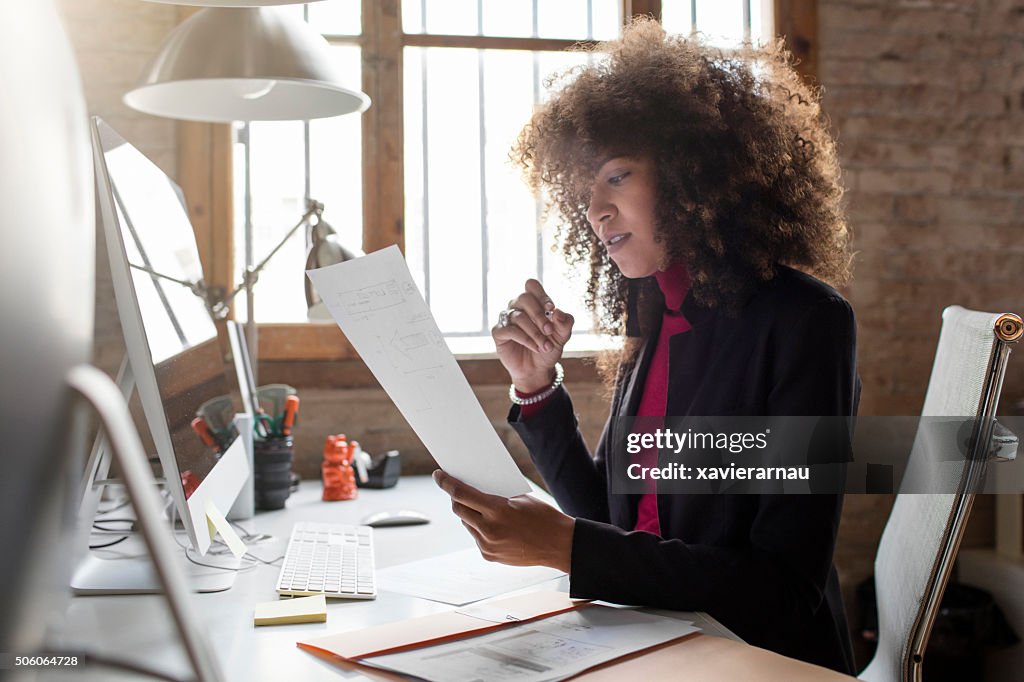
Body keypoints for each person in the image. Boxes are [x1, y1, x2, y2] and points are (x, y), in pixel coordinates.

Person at [432, 18, 859, 675]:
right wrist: (537, 390)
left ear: (694, 174)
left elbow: (783, 590)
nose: (595, 210)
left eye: (617, 177)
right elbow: (609, 515)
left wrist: (568, 548)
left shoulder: (806, 323)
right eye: (587, 190)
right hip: (654, 638)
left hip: (761, 659)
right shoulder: (655, 306)